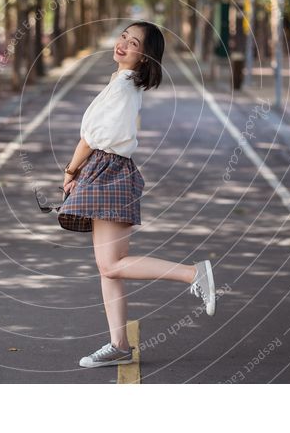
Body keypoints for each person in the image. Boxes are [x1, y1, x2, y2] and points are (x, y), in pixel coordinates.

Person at [58, 21, 216, 369]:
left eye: (134, 43)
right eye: (123, 37)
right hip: (105, 169)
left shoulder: (124, 87)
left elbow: (91, 137)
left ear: (145, 57)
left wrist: (71, 171)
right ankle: (118, 345)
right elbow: (91, 135)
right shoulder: (120, 82)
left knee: (110, 264)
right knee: (108, 269)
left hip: (108, 170)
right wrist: (75, 173)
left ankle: (193, 274)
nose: (124, 45)